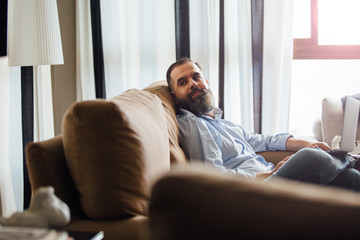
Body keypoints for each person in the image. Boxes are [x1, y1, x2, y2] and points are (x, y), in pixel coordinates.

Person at [166, 58, 360, 192]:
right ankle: (351, 158)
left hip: (268, 179)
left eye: (196, 77)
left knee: (350, 179)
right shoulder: (192, 123)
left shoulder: (222, 123)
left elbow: (261, 140)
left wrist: (304, 143)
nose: (192, 84)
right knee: (312, 158)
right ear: (174, 95)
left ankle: (347, 161)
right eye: (183, 82)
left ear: (206, 82)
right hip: (254, 192)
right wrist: (270, 173)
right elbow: (214, 176)